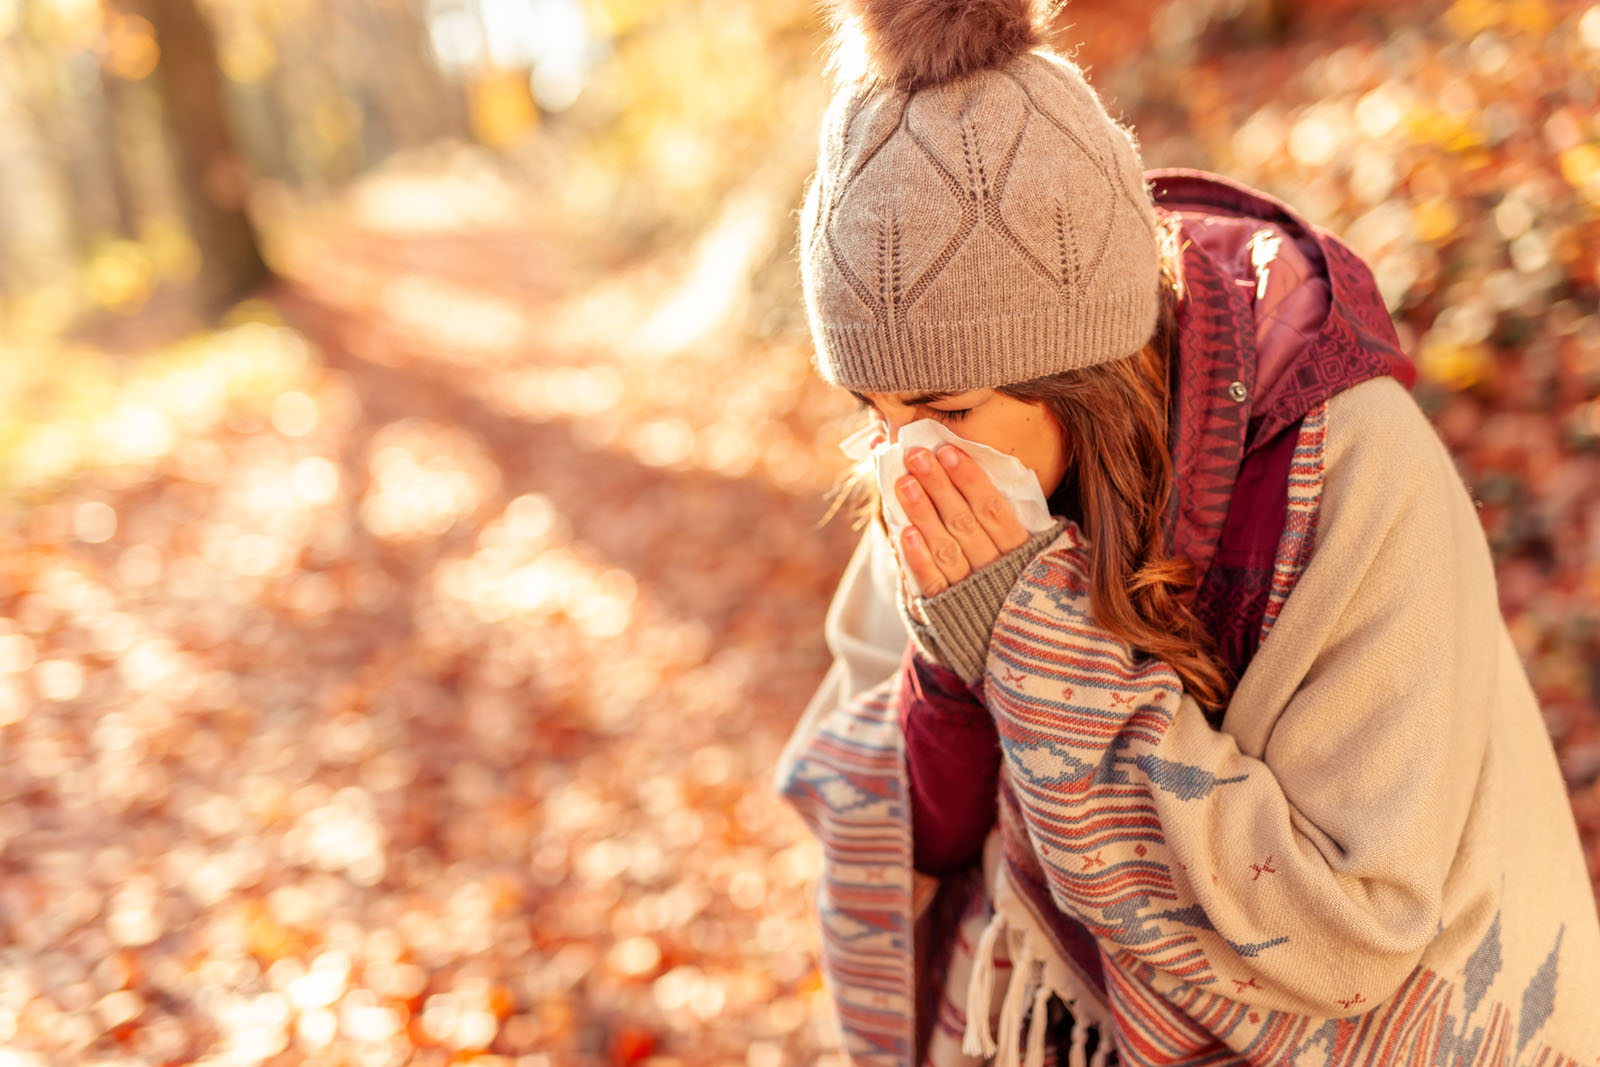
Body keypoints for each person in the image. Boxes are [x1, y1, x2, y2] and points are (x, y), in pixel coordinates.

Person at [773, 2, 1600, 1065]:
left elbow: (1351, 931)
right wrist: (950, 661)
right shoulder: (946, 481)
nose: (903, 459)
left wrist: (1040, 653)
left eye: (945, 408)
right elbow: (907, 846)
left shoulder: (1343, 464)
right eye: (869, 413)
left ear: (1083, 374)